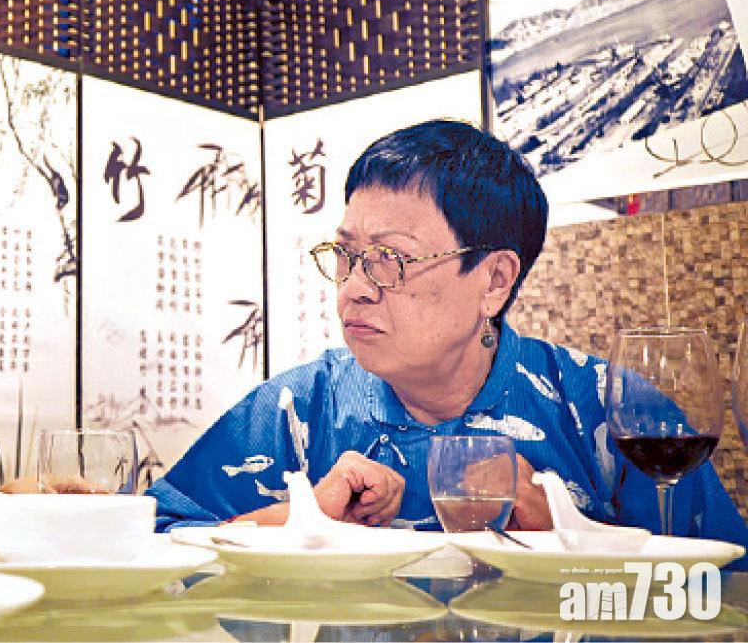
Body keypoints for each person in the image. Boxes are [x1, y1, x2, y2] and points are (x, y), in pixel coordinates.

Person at [146, 120, 748, 567]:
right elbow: (153, 540)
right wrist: (303, 519)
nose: (354, 288)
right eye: (348, 256)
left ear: (494, 281)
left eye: (390, 259)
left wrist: (569, 537)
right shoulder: (300, 407)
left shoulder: (603, 407)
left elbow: (718, 588)